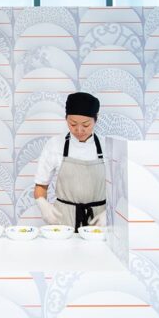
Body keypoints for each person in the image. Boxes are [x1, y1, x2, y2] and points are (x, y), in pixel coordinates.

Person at [34, 91, 107, 229]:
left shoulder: (107, 147)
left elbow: (120, 190)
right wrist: (42, 204)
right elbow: (40, 186)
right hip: (63, 220)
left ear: (96, 119)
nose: (79, 130)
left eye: (86, 125)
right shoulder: (55, 145)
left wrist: (109, 214)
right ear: (66, 119)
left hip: (98, 221)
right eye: (73, 124)